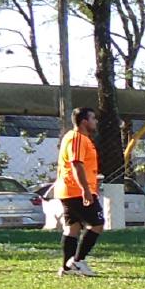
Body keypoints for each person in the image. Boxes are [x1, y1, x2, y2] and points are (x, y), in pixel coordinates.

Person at [55, 107, 104, 276]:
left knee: (73, 228)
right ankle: (77, 261)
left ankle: (66, 268)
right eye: (93, 118)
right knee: (97, 224)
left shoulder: (80, 138)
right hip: (76, 190)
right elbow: (76, 163)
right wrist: (86, 190)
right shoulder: (77, 138)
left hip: (69, 190)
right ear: (84, 121)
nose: (95, 121)